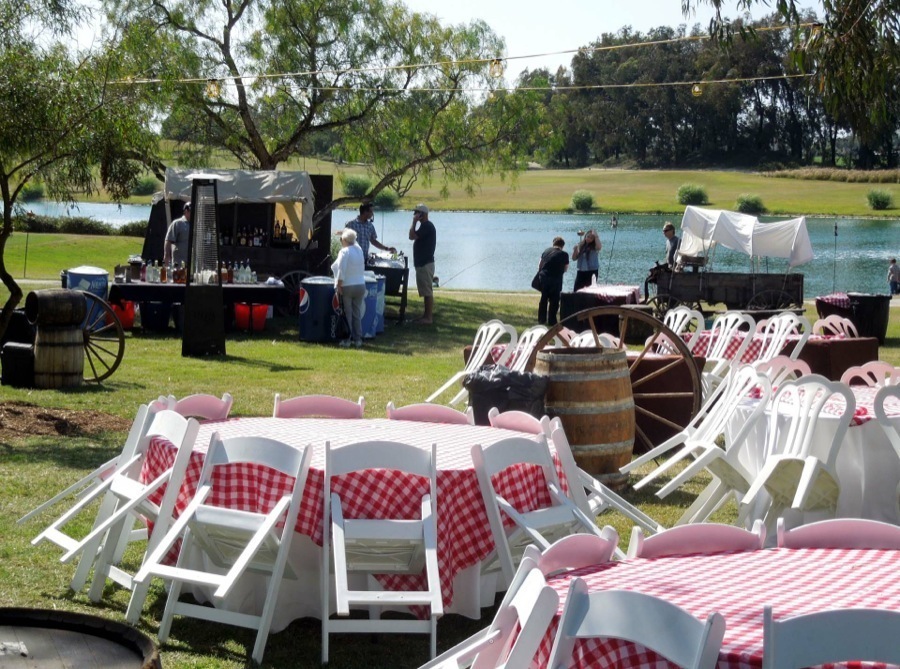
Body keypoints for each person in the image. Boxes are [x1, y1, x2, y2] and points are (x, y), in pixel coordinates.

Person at [331, 228, 367, 348]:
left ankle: (347, 339)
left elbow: (341, 270)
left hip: (348, 285)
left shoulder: (344, 252)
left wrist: (339, 284)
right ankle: (358, 339)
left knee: (347, 313)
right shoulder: (359, 250)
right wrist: (344, 233)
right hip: (360, 285)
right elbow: (353, 240)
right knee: (357, 313)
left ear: (345, 240)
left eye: (342, 239)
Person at [409, 203, 436, 324]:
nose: (415, 215)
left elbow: (411, 236)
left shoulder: (427, 226)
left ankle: (428, 318)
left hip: (425, 263)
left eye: (417, 213)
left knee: (427, 291)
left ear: (422, 214)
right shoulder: (424, 226)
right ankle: (425, 316)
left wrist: (414, 222)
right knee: (425, 291)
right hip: (422, 263)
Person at [537, 236, 569, 325]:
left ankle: (541, 319)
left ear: (553, 243)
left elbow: (540, 264)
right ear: (562, 246)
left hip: (544, 277)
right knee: (554, 300)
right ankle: (552, 320)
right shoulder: (564, 254)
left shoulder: (546, 251)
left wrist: (540, 274)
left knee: (544, 299)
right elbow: (566, 268)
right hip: (556, 279)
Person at [163, 203, 191, 267]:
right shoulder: (177, 223)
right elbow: (168, 240)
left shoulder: (196, 225)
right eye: (190, 211)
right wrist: (166, 255)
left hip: (192, 262)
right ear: (186, 211)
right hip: (179, 262)